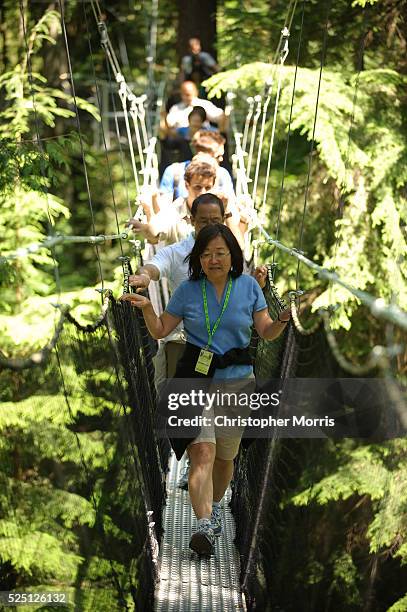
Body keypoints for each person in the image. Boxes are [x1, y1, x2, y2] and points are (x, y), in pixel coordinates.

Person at [121, 224, 291, 556]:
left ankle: (211, 509)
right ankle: (205, 523)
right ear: (198, 258)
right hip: (195, 379)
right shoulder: (187, 290)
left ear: (233, 256)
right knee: (203, 453)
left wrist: (284, 318)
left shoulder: (248, 288)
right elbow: (159, 329)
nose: (214, 259)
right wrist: (145, 307)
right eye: (207, 253)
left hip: (238, 381)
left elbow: (267, 332)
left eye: (221, 253)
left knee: (225, 457)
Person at [129, 156, 242, 248]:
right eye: (197, 187)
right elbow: (155, 234)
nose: (203, 193)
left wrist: (226, 212)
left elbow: (239, 246)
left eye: (208, 188)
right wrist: (144, 227)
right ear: (187, 185)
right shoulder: (175, 210)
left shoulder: (223, 208)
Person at [160, 131, 234, 203]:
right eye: (218, 156)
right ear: (201, 154)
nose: (221, 159)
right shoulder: (174, 171)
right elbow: (164, 207)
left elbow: (231, 204)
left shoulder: (222, 174)